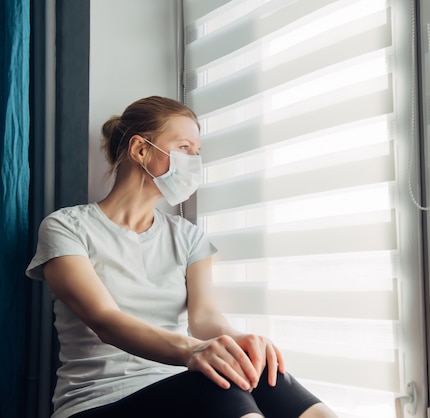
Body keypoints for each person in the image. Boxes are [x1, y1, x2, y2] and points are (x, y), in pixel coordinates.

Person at [26, 96, 338, 418]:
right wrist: (194, 350)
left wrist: (242, 342)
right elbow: (105, 321)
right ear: (140, 150)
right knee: (217, 386)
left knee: (266, 375)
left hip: (180, 393)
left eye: (197, 152)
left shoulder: (188, 237)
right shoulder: (66, 227)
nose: (194, 161)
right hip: (98, 402)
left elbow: (205, 320)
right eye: (185, 148)